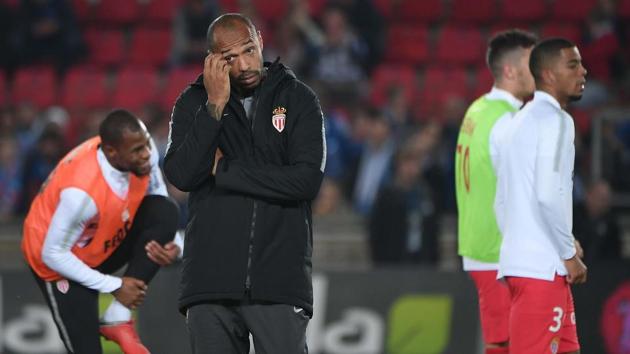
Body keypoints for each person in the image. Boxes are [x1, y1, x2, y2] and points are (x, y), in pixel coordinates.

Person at [163, 13, 325, 354]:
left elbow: (305, 181)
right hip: (209, 283)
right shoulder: (193, 103)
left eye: (249, 50)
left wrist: (224, 171)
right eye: (230, 58)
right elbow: (182, 175)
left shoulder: (299, 99)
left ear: (261, 42)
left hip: (279, 282)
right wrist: (214, 107)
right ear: (213, 61)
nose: (244, 64)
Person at [22, 109, 182, 354]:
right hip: (59, 265)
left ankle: (117, 315)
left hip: (101, 239)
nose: (147, 155)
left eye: (145, 145)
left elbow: (157, 200)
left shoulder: (142, 148)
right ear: (111, 153)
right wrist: (114, 284)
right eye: (137, 151)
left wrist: (171, 244)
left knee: (166, 211)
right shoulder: (80, 195)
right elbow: (53, 254)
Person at [494, 38, 588, 354]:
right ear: (548, 74)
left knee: (569, 350)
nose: (583, 72)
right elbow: (548, 195)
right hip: (543, 271)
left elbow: (502, 202)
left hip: (525, 264)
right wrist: (567, 253)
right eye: (573, 65)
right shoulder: (557, 121)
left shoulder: (516, 122)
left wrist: (526, 242)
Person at [455, 29, 537, 354]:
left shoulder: (477, 110)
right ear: (510, 70)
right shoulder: (509, 123)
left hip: (481, 245)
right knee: (512, 343)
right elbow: (517, 193)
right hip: (499, 249)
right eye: (533, 64)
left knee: (501, 341)